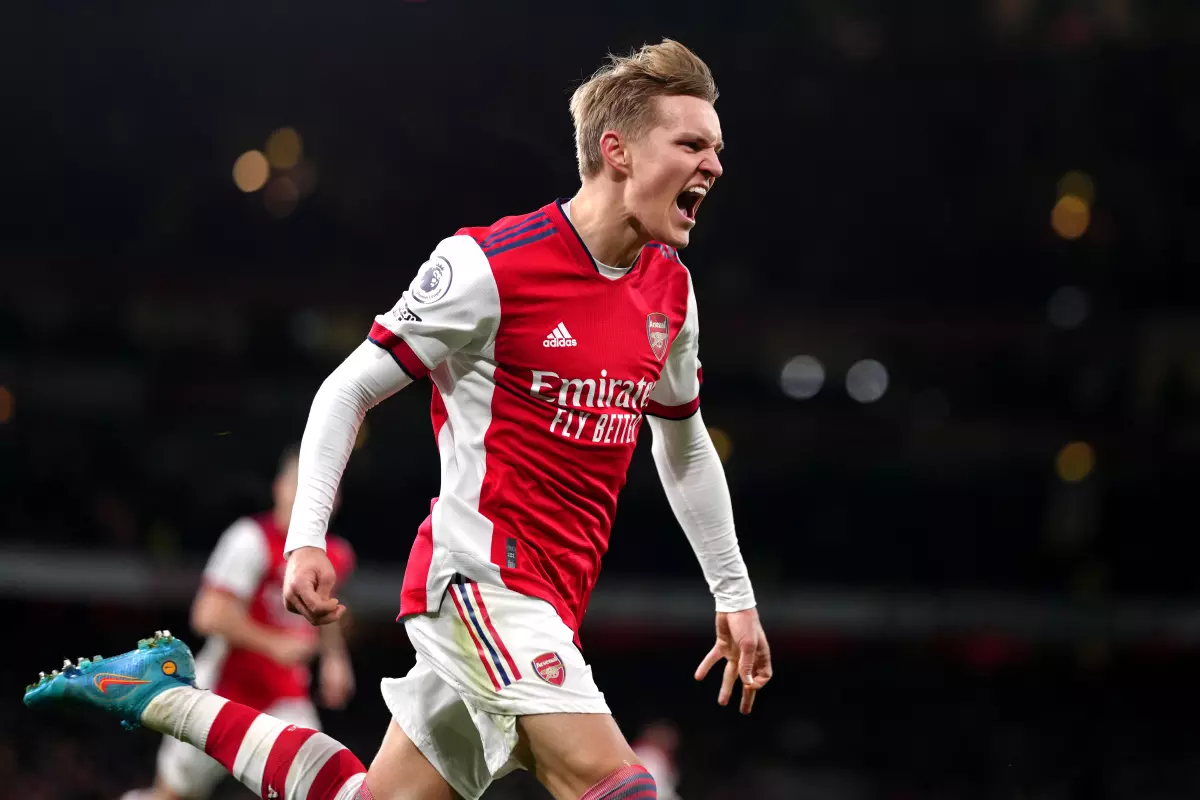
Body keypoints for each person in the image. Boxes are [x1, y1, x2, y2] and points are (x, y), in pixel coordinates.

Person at [25, 39, 772, 800]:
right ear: (616, 151)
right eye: (691, 144)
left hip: (553, 599)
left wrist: (735, 593)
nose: (713, 163)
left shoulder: (670, 292)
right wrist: (308, 536)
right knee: (618, 786)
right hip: (483, 582)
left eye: (717, 148)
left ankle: (160, 695)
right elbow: (345, 391)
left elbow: (681, 445)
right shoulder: (490, 266)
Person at [119, 447, 357, 800]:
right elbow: (207, 614)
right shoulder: (250, 540)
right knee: (173, 794)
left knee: (317, 785)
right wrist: (273, 644)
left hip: (285, 697)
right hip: (224, 691)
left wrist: (336, 658)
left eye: (326, 488)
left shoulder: (335, 554)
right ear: (281, 488)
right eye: (305, 485)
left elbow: (325, 613)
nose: (317, 497)